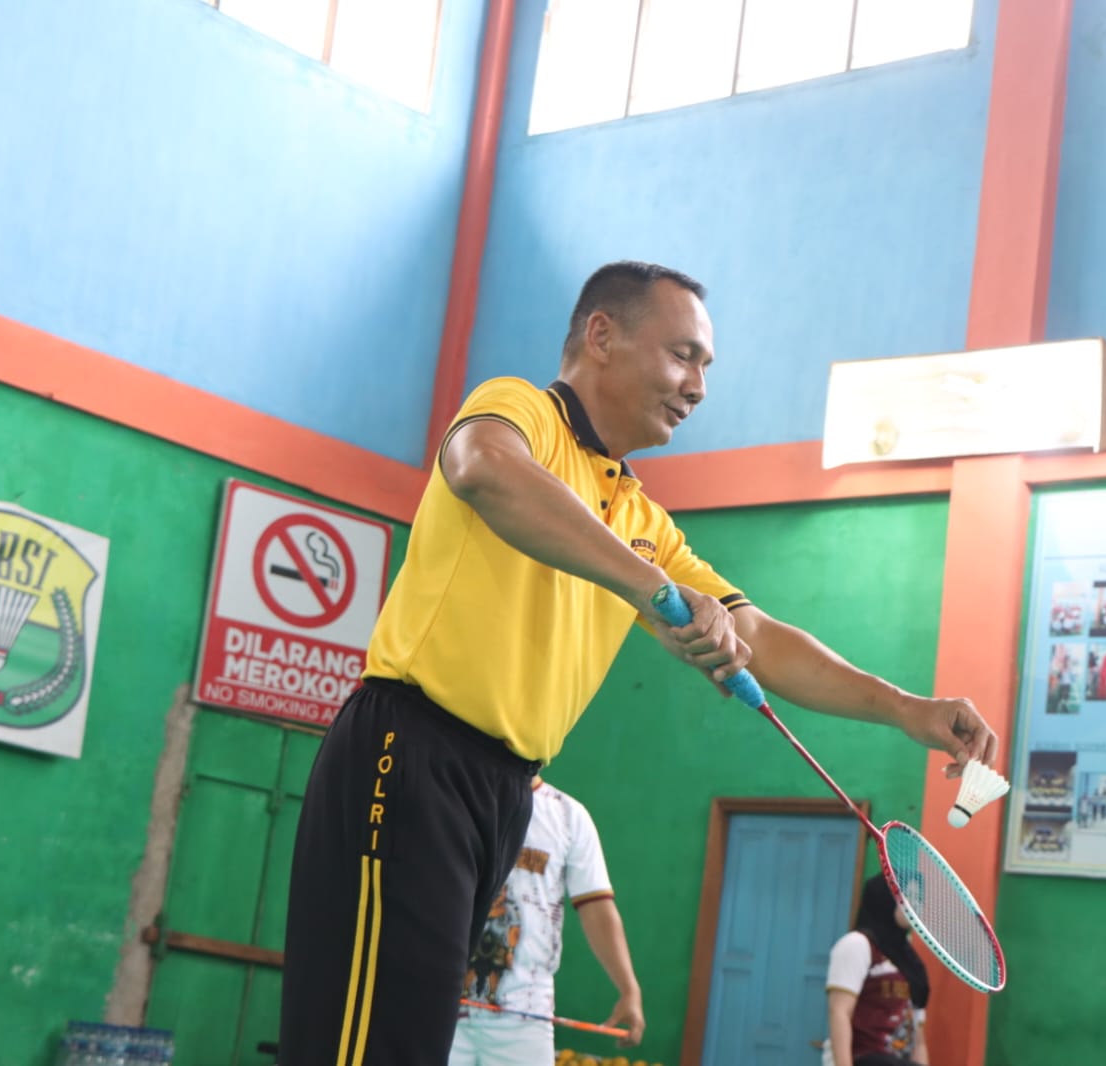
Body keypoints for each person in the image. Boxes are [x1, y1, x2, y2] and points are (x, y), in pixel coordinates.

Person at [278, 261, 999, 1065]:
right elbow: (482, 468)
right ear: (601, 335)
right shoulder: (522, 411)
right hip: (411, 755)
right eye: (682, 355)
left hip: (504, 789)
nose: (696, 386)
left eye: (705, 368)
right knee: (368, 1047)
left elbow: (755, 632)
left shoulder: (640, 515)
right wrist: (652, 588)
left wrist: (907, 709)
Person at [452, 776, 640, 1064]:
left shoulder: (568, 815)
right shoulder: (454, 797)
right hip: (441, 1007)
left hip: (526, 1017)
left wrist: (629, 988)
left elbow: (597, 907)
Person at [822, 875, 929, 1066]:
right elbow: (839, 1012)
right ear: (886, 897)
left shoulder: (913, 963)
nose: (915, 905)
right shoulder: (857, 945)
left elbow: (919, 1040)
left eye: (918, 898)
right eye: (908, 896)